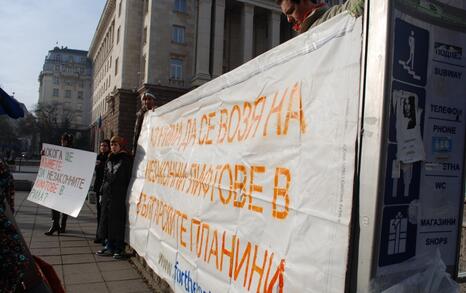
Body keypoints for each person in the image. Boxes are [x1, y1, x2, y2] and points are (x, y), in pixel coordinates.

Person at [96, 135, 132, 259]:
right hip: (107, 194)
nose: (113, 147)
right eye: (111, 144)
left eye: (115, 144)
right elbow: (104, 177)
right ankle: (109, 246)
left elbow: (128, 178)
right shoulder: (109, 158)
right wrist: (101, 193)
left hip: (119, 194)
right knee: (106, 220)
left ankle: (119, 248)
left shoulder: (126, 159)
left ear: (120, 145)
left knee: (117, 221)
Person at [277, 0, 364, 34]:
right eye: (286, 15)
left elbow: (355, 6)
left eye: (291, 11)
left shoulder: (330, 16)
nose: (288, 19)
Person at [44, 133, 73, 236]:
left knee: (64, 205)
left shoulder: (73, 152)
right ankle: (55, 225)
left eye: (65, 140)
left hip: (67, 182)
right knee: (54, 203)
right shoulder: (57, 151)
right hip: (57, 181)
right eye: (62, 140)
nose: (63, 142)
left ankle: (62, 225)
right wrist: (45, 154)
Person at [93, 139, 110, 243]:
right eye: (101, 145)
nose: (102, 147)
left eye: (105, 145)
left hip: (106, 189)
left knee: (105, 213)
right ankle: (99, 234)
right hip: (98, 187)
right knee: (99, 212)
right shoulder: (98, 157)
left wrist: (101, 164)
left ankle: (104, 235)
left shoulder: (109, 157)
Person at [132, 92, 156, 156]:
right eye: (145, 99)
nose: (147, 101)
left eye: (149, 99)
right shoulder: (140, 114)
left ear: (154, 101)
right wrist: (134, 149)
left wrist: (156, 112)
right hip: (142, 144)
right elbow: (136, 133)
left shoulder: (158, 111)